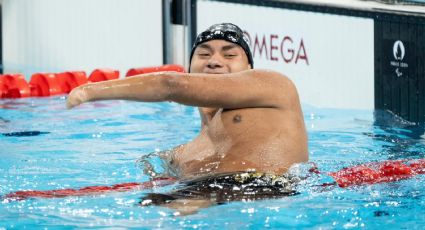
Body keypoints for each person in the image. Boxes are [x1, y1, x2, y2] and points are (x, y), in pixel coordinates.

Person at [67, 23, 308, 214]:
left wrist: (89, 90)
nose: (214, 61)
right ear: (191, 69)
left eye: (229, 54)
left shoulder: (275, 86)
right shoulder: (181, 154)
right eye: (203, 53)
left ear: (250, 67)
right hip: (207, 197)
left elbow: (169, 84)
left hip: (267, 192)